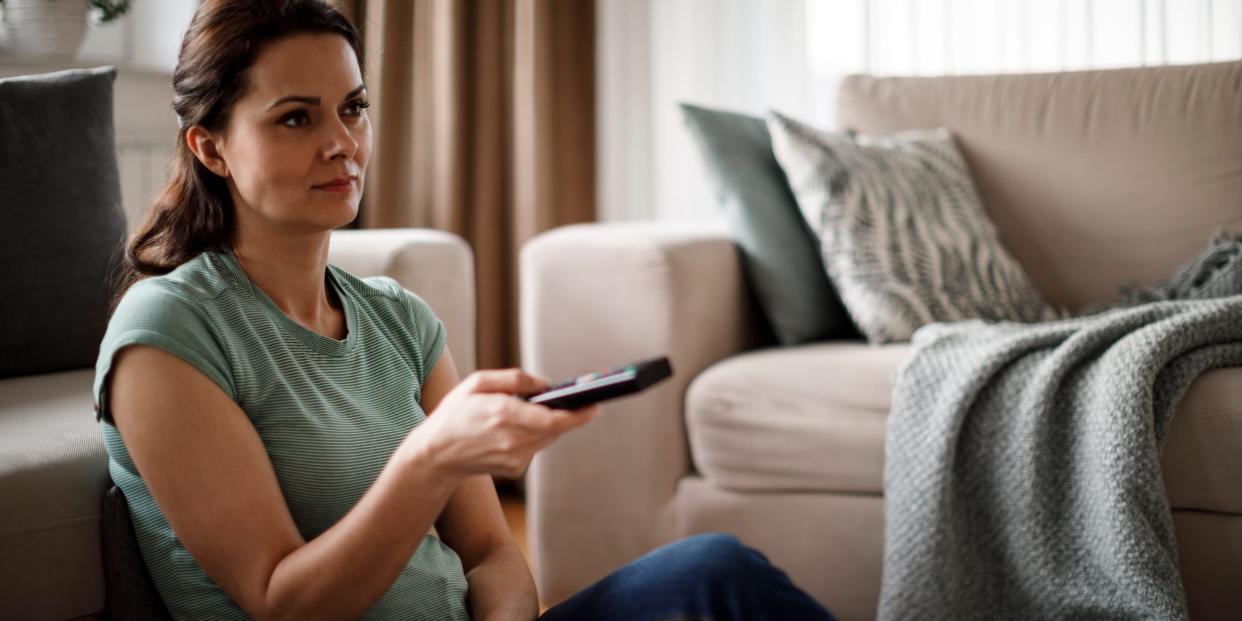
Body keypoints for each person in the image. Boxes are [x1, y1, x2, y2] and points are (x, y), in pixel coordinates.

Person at [95, 1, 838, 619]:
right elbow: (281, 600)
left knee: (715, 570)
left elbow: (493, 554)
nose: (343, 144)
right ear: (211, 148)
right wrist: (434, 454)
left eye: (353, 108)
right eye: (296, 119)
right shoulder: (168, 334)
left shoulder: (400, 318)